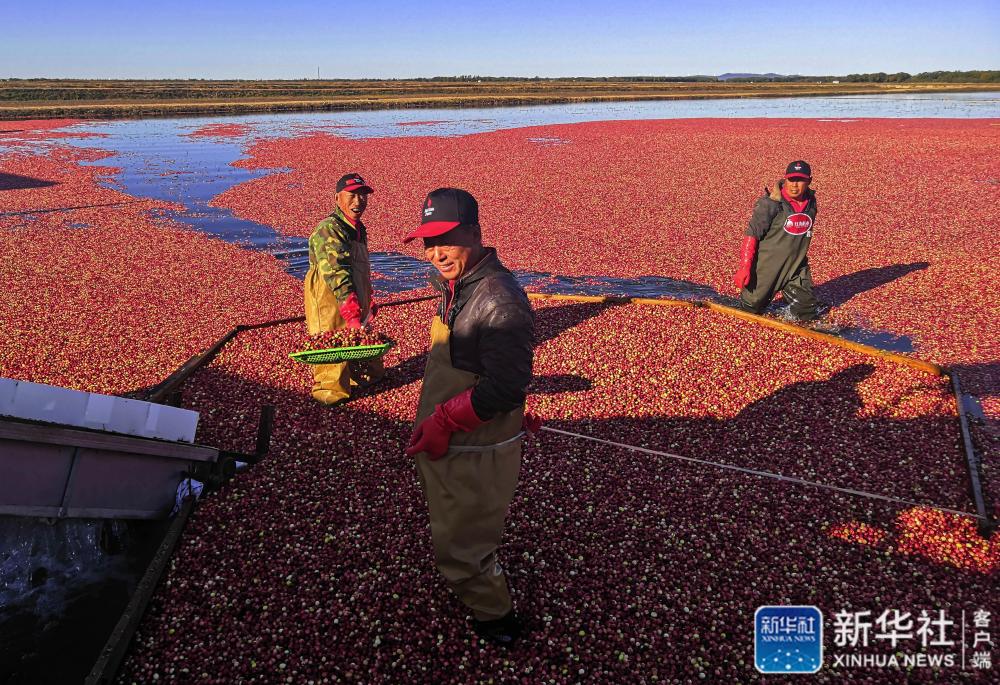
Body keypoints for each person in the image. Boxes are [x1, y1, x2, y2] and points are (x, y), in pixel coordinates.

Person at [402, 187, 539, 646]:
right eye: (429, 242)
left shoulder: (499, 302)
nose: (437, 252)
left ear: (476, 234)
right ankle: (471, 576)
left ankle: (494, 616)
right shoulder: (457, 285)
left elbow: (504, 386)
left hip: (474, 446)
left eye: (448, 238)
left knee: (466, 537)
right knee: (456, 522)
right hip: (457, 443)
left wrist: (443, 422)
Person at [303, 173, 383, 405]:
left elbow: (359, 269)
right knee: (332, 341)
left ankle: (361, 378)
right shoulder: (330, 228)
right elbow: (336, 272)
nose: (358, 201)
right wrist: (350, 309)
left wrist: (367, 299)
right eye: (352, 195)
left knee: (362, 346)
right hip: (329, 295)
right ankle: (328, 393)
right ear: (337, 198)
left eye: (363, 195)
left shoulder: (358, 228)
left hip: (354, 293)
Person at [733, 160, 822, 321]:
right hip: (767, 267)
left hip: (796, 266)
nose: (795, 185)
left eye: (800, 180)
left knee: (806, 311)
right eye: (791, 180)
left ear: (809, 181)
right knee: (750, 310)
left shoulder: (811, 203)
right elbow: (752, 234)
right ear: (785, 179)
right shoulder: (771, 204)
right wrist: (745, 266)